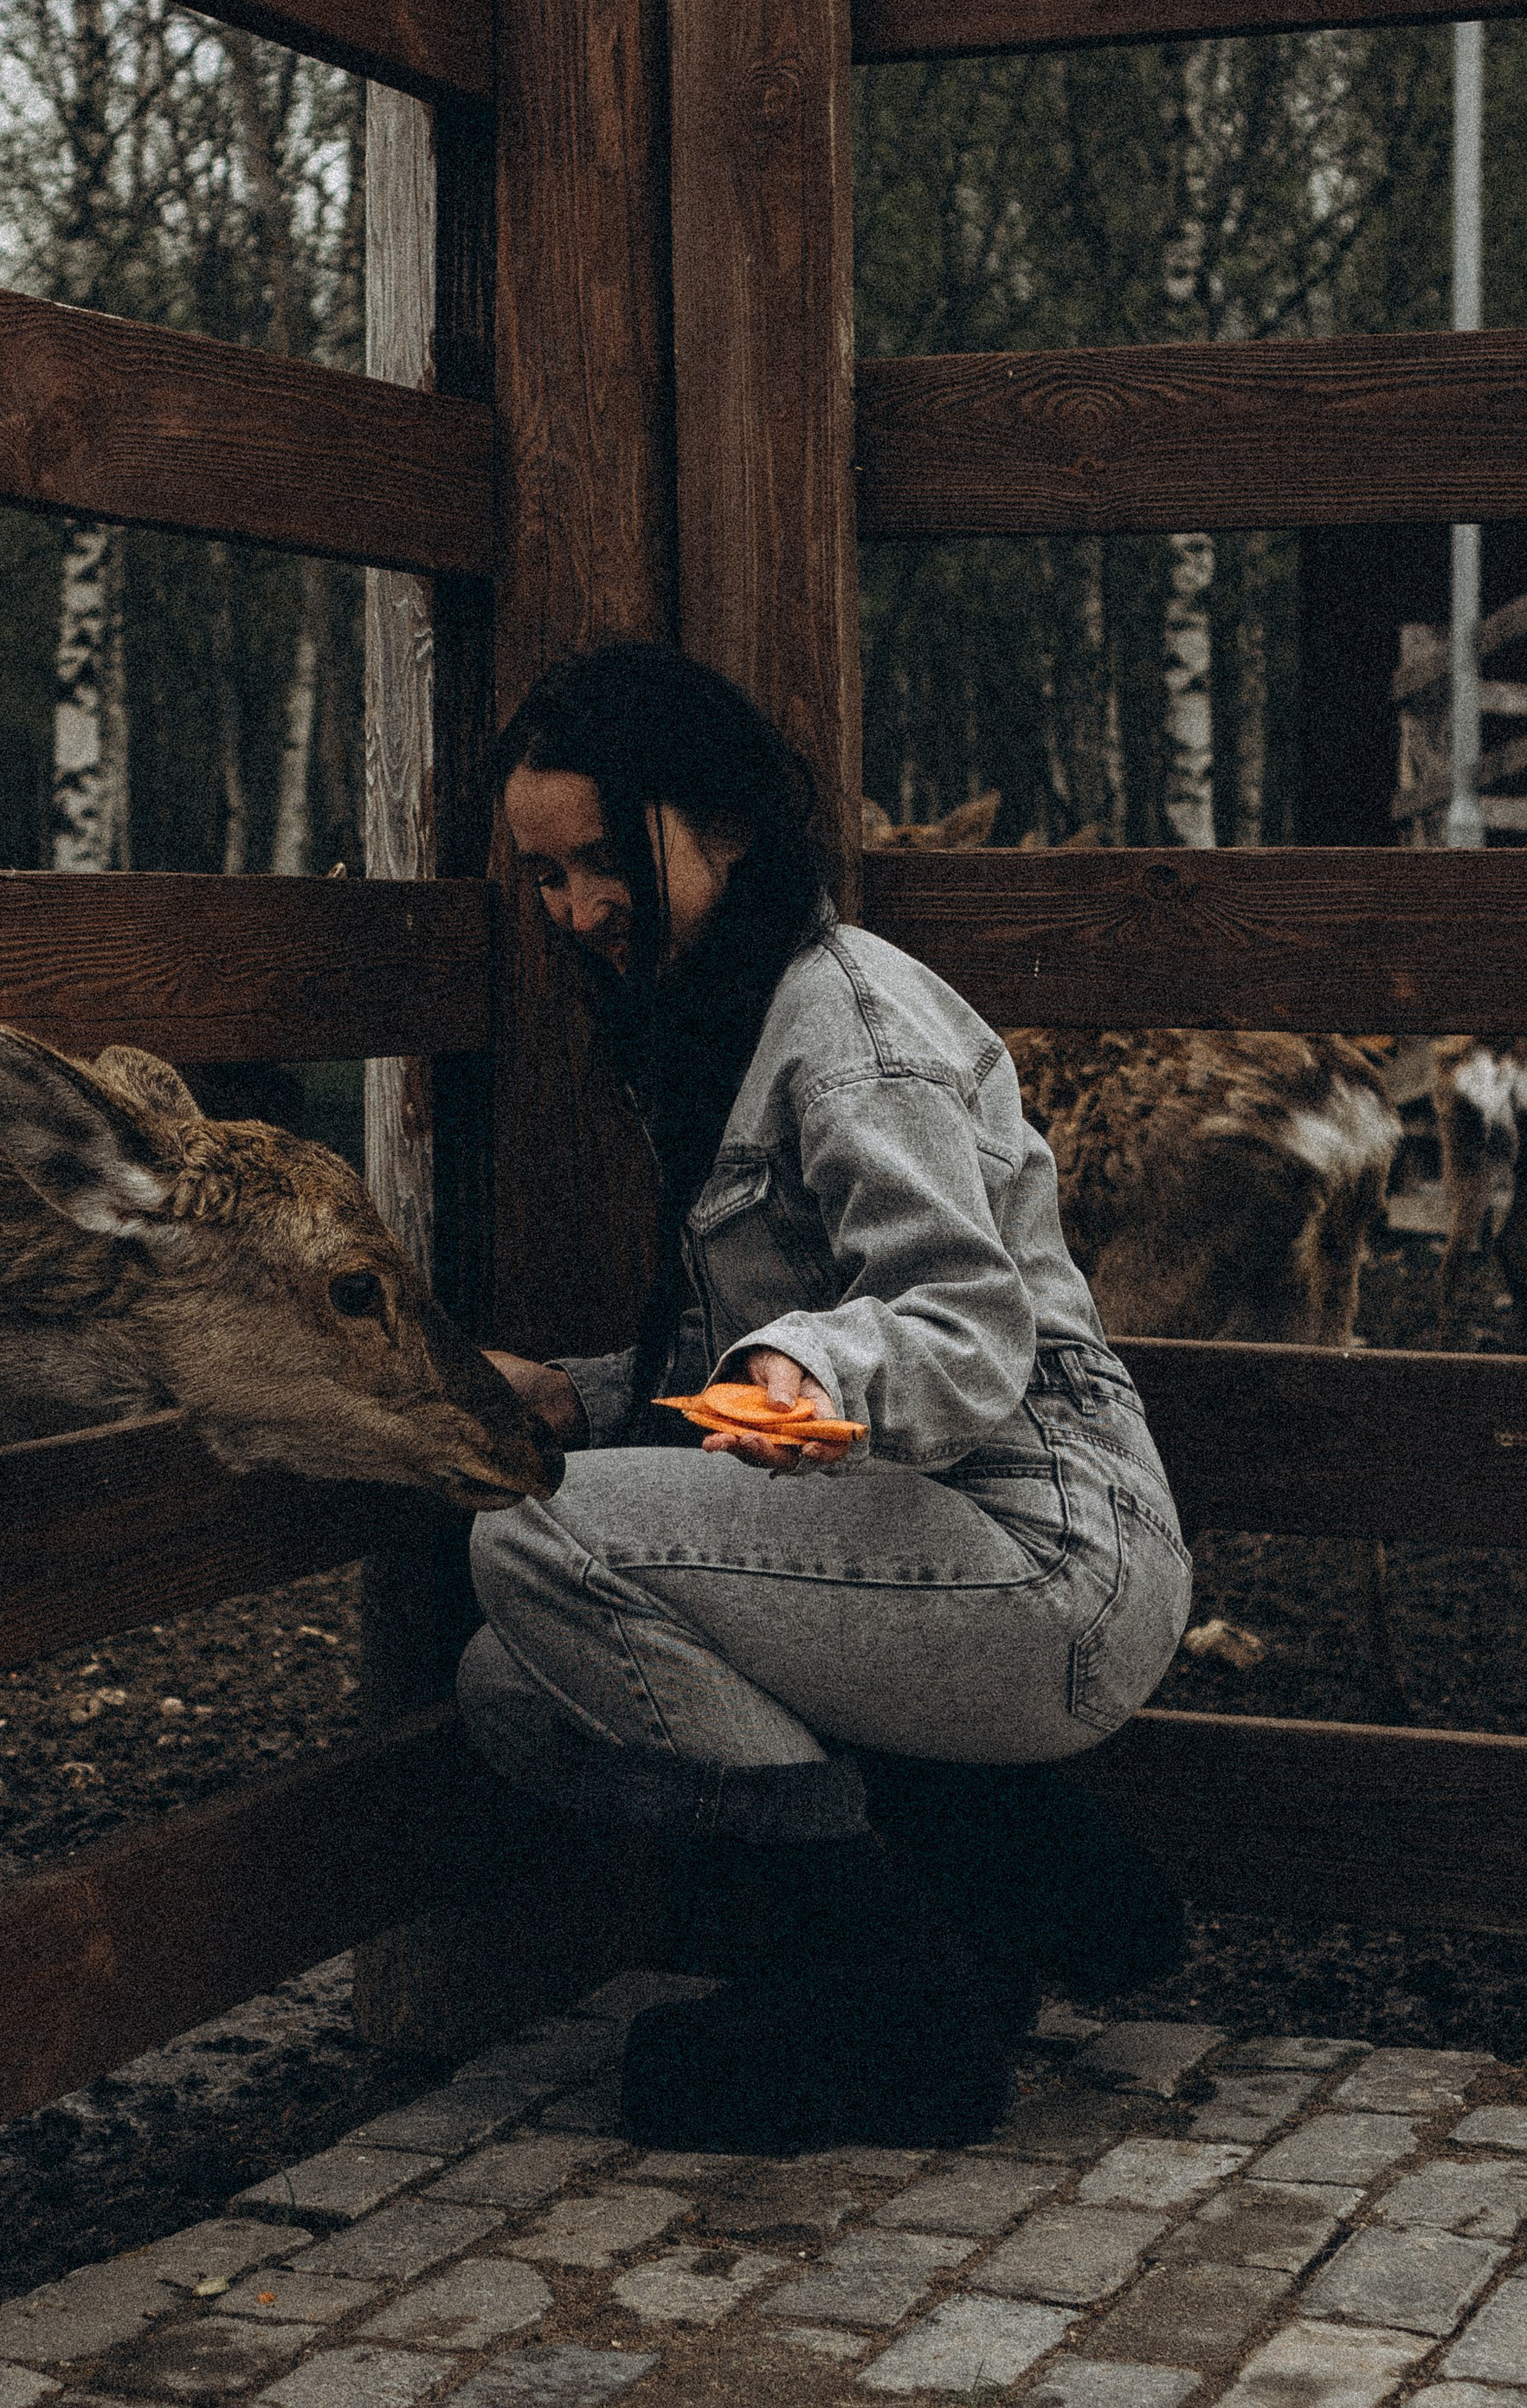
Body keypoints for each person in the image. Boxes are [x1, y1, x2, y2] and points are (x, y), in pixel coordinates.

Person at [470, 642, 1192, 2153]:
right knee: (510, 1685)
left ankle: (891, 2002)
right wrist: (582, 1402)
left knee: (534, 1544)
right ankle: (1001, 1874)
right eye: (544, 879)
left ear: (722, 822)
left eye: (605, 861)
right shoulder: (718, 1027)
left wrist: (817, 1367)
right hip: (920, 1551)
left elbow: (960, 1320)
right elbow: (741, 1405)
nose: (578, 913)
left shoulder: (850, 1025)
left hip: (1044, 1557)